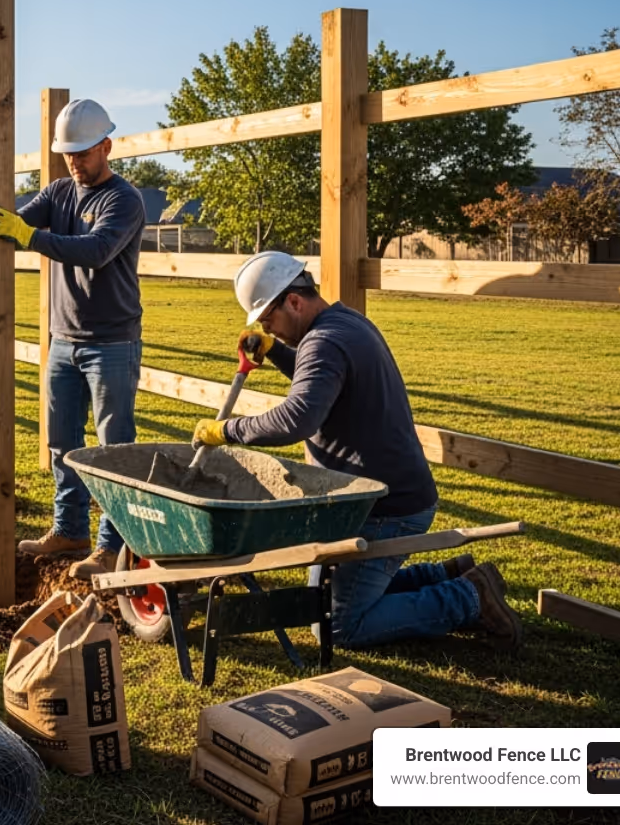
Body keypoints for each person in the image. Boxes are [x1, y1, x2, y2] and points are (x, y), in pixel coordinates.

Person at [191, 251, 523, 649]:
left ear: (293, 302)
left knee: (335, 624)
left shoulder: (325, 342)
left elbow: (298, 418)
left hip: (383, 509)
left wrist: (227, 431)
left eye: (268, 321)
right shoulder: (344, 323)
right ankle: (452, 573)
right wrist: (276, 352)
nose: (269, 329)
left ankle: (469, 598)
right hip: (385, 495)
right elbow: (323, 378)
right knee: (327, 596)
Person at [0, 98, 147, 581]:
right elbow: (9, 225)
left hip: (111, 342)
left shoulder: (123, 200)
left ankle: (111, 547)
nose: (75, 162)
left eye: (83, 153)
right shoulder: (58, 192)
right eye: (68, 154)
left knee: (113, 450)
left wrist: (27, 236)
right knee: (61, 443)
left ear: (106, 146)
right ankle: (70, 530)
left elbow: (95, 251)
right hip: (63, 341)